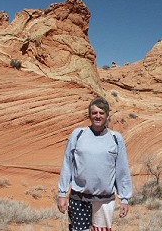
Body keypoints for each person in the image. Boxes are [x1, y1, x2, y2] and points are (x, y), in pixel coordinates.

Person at [57, 97, 133, 231]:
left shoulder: (116, 138)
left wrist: (125, 199)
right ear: (90, 115)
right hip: (79, 199)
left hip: (104, 201)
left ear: (107, 116)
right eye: (94, 113)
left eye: (101, 113)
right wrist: (62, 193)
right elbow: (67, 165)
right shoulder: (78, 134)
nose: (98, 116)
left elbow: (122, 171)